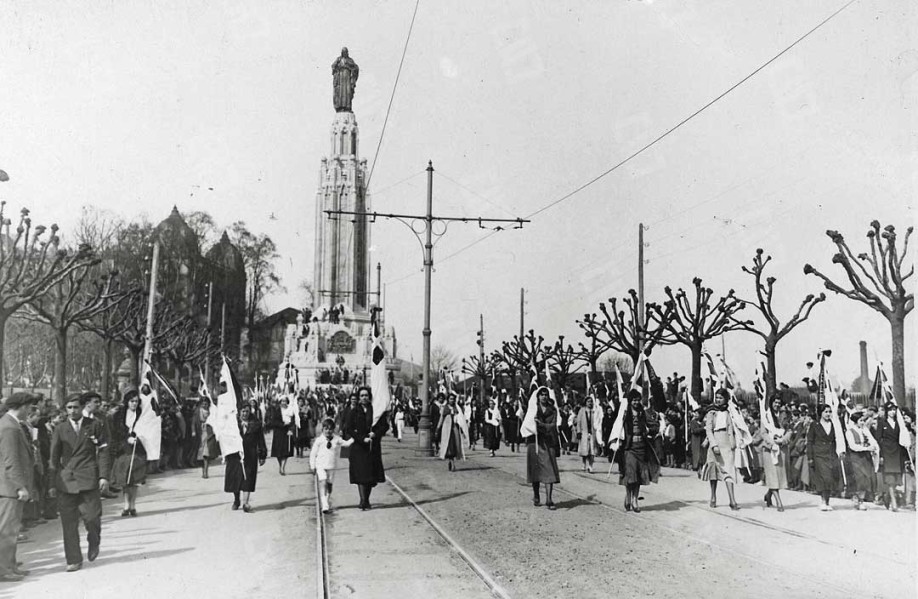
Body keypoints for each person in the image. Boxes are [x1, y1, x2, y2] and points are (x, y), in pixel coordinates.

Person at [48, 392, 112, 572]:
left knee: (92, 518)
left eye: (76, 407)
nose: (72, 411)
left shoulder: (94, 425)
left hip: (88, 479)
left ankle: (94, 541)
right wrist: (52, 483)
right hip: (66, 481)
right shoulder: (60, 429)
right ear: (65, 409)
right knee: (68, 524)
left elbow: (104, 452)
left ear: (82, 407)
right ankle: (74, 559)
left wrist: (104, 476)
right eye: (69, 408)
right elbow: (54, 458)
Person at [0, 392, 37, 581]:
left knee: (12, 528)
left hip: (9, 487)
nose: (31, 411)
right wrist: (19, 487)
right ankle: (4, 570)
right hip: (9, 488)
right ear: (22, 406)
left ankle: (10, 565)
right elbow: (10, 461)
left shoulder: (11, 424)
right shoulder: (9, 427)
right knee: (7, 530)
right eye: (30, 407)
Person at [617, 390, 661, 513]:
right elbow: (616, 427)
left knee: (639, 476)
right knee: (630, 474)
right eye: (634, 400)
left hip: (641, 447)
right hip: (629, 448)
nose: (636, 402)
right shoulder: (625, 413)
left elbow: (654, 426)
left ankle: (635, 500)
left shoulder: (643, 412)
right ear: (630, 401)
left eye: (638, 400)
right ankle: (628, 496)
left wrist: (649, 430)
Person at [345, 386, 388, 510]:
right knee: (361, 474)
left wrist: (375, 434)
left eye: (366, 395)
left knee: (370, 476)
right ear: (358, 398)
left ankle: (367, 499)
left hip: (372, 447)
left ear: (370, 397)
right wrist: (361, 438)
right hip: (358, 448)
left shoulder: (376, 411)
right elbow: (349, 428)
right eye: (362, 395)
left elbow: (384, 426)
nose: (364, 398)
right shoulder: (354, 411)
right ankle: (363, 500)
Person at [110, 387, 147, 517]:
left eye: (136, 401)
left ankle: (133, 505)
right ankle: (126, 504)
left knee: (135, 477)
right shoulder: (119, 415)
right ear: (127, 402)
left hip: (138, 448)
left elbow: (147, 428)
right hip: (124, 448)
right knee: (126, 477)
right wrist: (126, 439)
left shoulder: (142, 413)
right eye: (132, 401)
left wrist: (139, 437)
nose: (134, 404)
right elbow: (115, 432)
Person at [224, 404, 267, 513]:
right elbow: (226, 439)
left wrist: (262, 455)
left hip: (250, 455)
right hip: (235, 454)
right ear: (239, 412)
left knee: (248, 478)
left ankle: (245, 503)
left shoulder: (256, 424)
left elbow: (261, 440)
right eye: (243, 411)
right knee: (235, 478)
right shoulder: (233, 424)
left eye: (247, 411)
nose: (245, 414)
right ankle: (236, 500)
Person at [702, 388, 740, 510]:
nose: (718, 400)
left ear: (726, 399)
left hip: (726, 443)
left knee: (728, 470)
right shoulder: (711, 412)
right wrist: (713, 445)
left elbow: (730, 428)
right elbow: (708, 429)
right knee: (714, 470)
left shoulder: (728, 412)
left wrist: (733, 442)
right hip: (715, 440)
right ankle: (713, 496)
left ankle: (732, 500)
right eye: (716, 397)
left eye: (721, 398)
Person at [525, 387, 561, 510]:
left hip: (547, 442)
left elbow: (553, 425)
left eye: (546, 395)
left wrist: (541, 425)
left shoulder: (553, 410)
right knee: (535, 470)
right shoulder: (532, 409)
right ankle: (536, 495)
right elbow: (528, 423)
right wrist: (533, 424)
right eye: (541, 395)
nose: (544, 397)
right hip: (534, 442)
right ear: (538, 396)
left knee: (549, 469)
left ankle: (549, 499)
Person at [308, 418, 354, 513]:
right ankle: (324, 504)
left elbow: (346, 444)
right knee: (323, 482)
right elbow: (313, 454)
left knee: (329, 485)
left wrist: (355, 438)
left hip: (331, 465)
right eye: (326, 429)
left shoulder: (336, 439)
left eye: (330, 429)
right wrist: (312, 466)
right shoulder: (319, 440)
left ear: (333, 430)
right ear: (323, 430)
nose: (328, 431)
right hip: (320, 465)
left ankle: (327, 501)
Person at [807, 404, 843, 511]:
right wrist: (810, 456)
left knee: (830, 478)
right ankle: (823, 501)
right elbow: (810, 441)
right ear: (820, 413)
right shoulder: (815, 425)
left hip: (831, 454)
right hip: (819, 455)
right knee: (824, 477)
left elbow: (837, 439)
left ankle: (827, 501)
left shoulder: (833, 424)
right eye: (825, 412)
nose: (828, 414)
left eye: (829, 412)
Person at [845, 411, 878, 510]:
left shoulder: (865, 430)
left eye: (864, 420)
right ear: (855, 421)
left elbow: (871, 440)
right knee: (859, 478)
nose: (863, 423)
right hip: (856, 457)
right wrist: (866, 448)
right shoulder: (849, 432)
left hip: (865, 457)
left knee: (866, 477)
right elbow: (853, 446)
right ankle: (859, 499)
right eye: (861, 421)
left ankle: (861, 499)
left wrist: (873, 447)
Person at [876, 402, 905, 511]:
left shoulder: (899, 423)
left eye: (894, 410)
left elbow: (902, 436)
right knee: (890, 478)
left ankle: (887, 497)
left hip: (897, 452)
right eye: (890, 410)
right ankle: (893, 501)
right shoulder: (882, 423)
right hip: (887, 452)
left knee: (897, 478)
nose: (892, 412)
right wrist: (881, 455)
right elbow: (878, 439)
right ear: (887, 411)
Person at [438, 395, 467, 471]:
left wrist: (463, 431)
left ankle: (452, 461)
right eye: (450, 399)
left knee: (455, 446)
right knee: (448, 446)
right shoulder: (445, 408)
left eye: (453, 399)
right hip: (446, 429)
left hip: (454, 429)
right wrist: (438, 428)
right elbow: (441, 418)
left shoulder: (457, 408)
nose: (452, 400)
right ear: (448, 399)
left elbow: (460, 420)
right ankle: (452, 462)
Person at [268, 398, 295, 475]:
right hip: (278, 432)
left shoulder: (290, 410)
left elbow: (293, 421)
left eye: (285, 401)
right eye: (282, 401)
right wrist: (282, 424)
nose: (284, 403)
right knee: (278, 451)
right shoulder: (276, 411)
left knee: (286, 450)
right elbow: (274, 421)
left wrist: (291, 429)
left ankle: (283, 467)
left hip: (287, 431)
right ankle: (280, 465)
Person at [197, 402, 219, 479]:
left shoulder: (212, 413)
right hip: (200, 435)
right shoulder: (198, 412)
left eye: (206, 404)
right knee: (201, 457)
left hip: (208, 435)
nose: (204, 405)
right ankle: (203, 471)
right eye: (203, 404)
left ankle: (206, 472)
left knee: (206, 456)